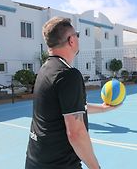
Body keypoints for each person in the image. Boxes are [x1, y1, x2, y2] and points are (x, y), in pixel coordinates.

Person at [25, 17, 118, 169]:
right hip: (59, 164)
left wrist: (103, 108)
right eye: (77, 35)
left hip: (35, 160)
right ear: (71, 40)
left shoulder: (45, 69)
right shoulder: (68, 75)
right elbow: (76, 133)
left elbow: (69, 107)